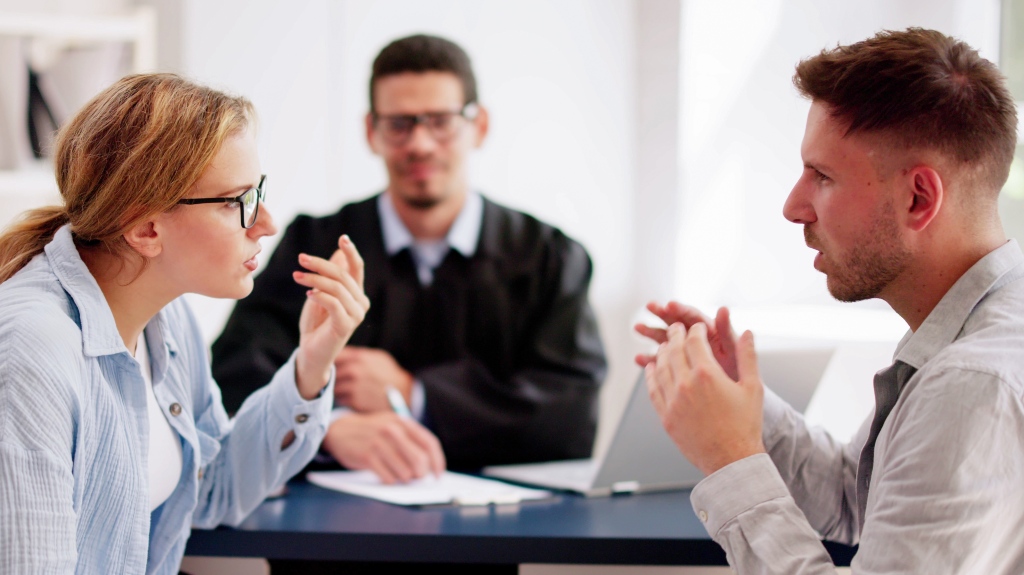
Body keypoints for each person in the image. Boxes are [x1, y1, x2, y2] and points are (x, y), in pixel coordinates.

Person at [637, 28, 1024, 573]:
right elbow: (855, 500)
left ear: (919, 198)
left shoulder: (970, 384)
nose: (793, 206)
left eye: (821, 176)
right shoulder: (972, 327)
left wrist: (730, 458)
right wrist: (739, 407)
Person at [0, 73, 372, 574]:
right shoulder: (34, 348)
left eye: (257, 192)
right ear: (145, 228)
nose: (266, 223)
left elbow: (212, 487)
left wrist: (312, 362)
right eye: (235, 201)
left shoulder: (164, 316)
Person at [211, 34, 607, 479]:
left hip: (492, 532)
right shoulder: (314, 244)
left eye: (441, 121)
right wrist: (327, 430)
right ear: (371, 132)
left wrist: (413, 394)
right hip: (331, 532)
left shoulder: (549, 258)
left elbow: (569, 416)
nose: (419, 143)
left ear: (479, 127)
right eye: (399, 124)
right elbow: (233, 377)